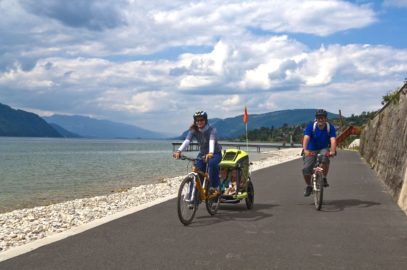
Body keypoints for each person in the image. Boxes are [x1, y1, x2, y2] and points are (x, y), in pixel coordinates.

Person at [173, 111, 222, 198]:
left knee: (212, 164)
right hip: (202, 154)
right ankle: (194, 197)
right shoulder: (193, 130)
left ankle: (214, 187)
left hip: (215, 153)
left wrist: (210, 153)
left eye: (201, 120)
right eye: (197, 120)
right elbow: (187, 141)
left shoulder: (212, 130)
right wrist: (179, 151)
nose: (199, 122)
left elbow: (211, 141)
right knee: (197, 172)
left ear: (205, 120)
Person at [302, 109, 337, 197]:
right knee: (306, 168)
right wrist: (305, 150)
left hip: (323, 148)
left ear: (325, 119)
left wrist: (332, 151)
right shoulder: (311, 126)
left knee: (325, 158)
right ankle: (309, 186)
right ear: (316, 118)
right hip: (311, 149)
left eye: (323, 118)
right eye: (319, 118)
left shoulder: (330, 127)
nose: (320, 119)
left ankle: (323, 177)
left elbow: (333, 140)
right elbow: (306, 138)